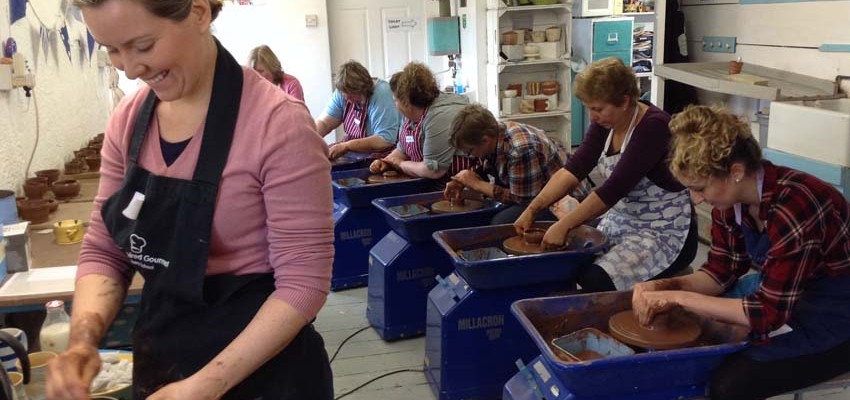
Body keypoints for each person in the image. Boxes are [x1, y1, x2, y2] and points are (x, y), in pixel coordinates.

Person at [47, 1, 334, 399]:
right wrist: (82, 340)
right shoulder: (128, 123)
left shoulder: (278, 123)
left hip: (267, 373)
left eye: (143, 46)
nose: (129, 69)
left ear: (199, 13)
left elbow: (303, 284)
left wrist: (205, 386)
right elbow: (106, 250)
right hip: (165, 361)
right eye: (111, 50)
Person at [632, 105, 850, 400]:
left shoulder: (796, 205)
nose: (696, 200)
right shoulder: (730, 204)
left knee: (728, 384)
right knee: (692, 342)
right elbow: (718, 274)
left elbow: (767, 313)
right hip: (788, 298)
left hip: (835, 317)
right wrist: (664, 286)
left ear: (735, 171)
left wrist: (679, 297)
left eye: (699, 188)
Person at [514, 57, 697, 292]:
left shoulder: (654, 126)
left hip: (664, 230)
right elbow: (574, 168)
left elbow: (612, 190)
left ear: (624, 101)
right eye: (589, 108)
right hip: (624, 220)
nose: (592, 117)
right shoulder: (607, 122)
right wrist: (533, 208)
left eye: (598, 109)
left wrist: (564, 225)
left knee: (595, 279)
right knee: (572, 261)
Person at [445, 104, 591, 224]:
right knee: (481, 212)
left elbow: (522, 198)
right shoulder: (493, 135)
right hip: (532, 191)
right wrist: (462, 181)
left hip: (563, 199)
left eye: (470, 151)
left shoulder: (520, 149)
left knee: (499, 223)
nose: (470, 155)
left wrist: (477, 185)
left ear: (485, 140)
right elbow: (483, 167)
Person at [369, 62, 477, 181]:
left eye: (395, 100)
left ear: (406, 102)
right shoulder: (410, 115)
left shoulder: (438, 116)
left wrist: (400, 165)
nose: (395, 105)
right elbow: (403, 149)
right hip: (428, 182)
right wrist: (386, 162)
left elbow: (433, 170)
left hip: (457, 184)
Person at [315, 60, 400, 160]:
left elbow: (385, 140)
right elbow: (325, 123)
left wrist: (347, 146)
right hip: (355, 152)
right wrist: (310, 138)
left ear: (365, 87)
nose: (349, 100)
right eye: (347, 96)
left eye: (354, 95)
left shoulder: (383, 94)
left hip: (383, 152)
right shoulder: (342, 92)